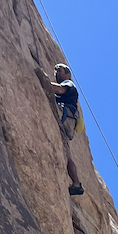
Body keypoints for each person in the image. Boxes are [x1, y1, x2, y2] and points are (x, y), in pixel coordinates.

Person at [37, 63, 84, 195]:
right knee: (68, 155)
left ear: (68, 75)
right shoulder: (69, 87)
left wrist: (43, 79)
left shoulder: (69, 83)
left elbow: (59, 90)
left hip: (65, 115)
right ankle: (76, 184)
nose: (57, 72)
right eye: (55, 71)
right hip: (68, 124)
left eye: (60, 70)